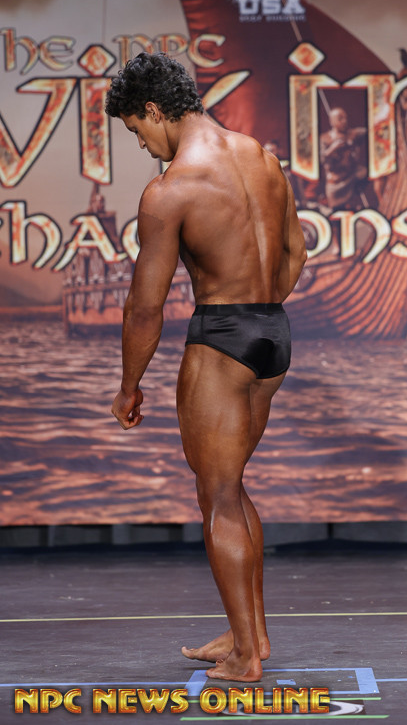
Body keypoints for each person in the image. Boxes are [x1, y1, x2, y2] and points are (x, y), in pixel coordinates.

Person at [105, 52, 307, 683]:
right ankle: (252, 634)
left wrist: (129, 385)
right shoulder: (262, 159)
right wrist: (259, 309)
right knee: (231, 487)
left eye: (138, 131)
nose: (143, 145)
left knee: (217, 495)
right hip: (273, 335)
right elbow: (296, 252)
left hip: (221, 339)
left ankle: (246, 658)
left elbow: (145, 307)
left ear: (155, 110)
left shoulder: (171, 191)